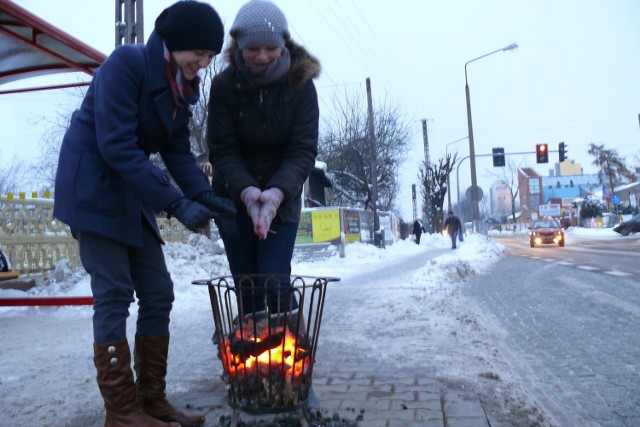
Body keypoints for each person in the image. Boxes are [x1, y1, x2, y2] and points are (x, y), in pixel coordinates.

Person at [53, 2, 236, 426]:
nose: (204, 64)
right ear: (177, 43)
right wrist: (173, 202)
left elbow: (176, 152)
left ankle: (151, 400)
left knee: (158, 291)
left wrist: (205, 197)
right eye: (200, 54)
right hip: (93, 188)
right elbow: (116, 145)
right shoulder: (125, 65)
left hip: (131, 190)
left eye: (210, 57)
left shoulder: (180, 87)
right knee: (114, 292)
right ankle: (121, 411)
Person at [207, 0, 321, 319]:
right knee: (247, 285)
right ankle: (251, 356)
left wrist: (275, 194)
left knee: (274, 278)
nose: (261, 56)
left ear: (283, 43)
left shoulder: (301, 86)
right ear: (239, 46)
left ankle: (290, 348)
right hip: (233, 195)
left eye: (269, 48)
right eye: (252, 48)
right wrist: (245, 191)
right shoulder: (224, 86)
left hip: (282, 197)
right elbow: (222, 149)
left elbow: (302, 150)